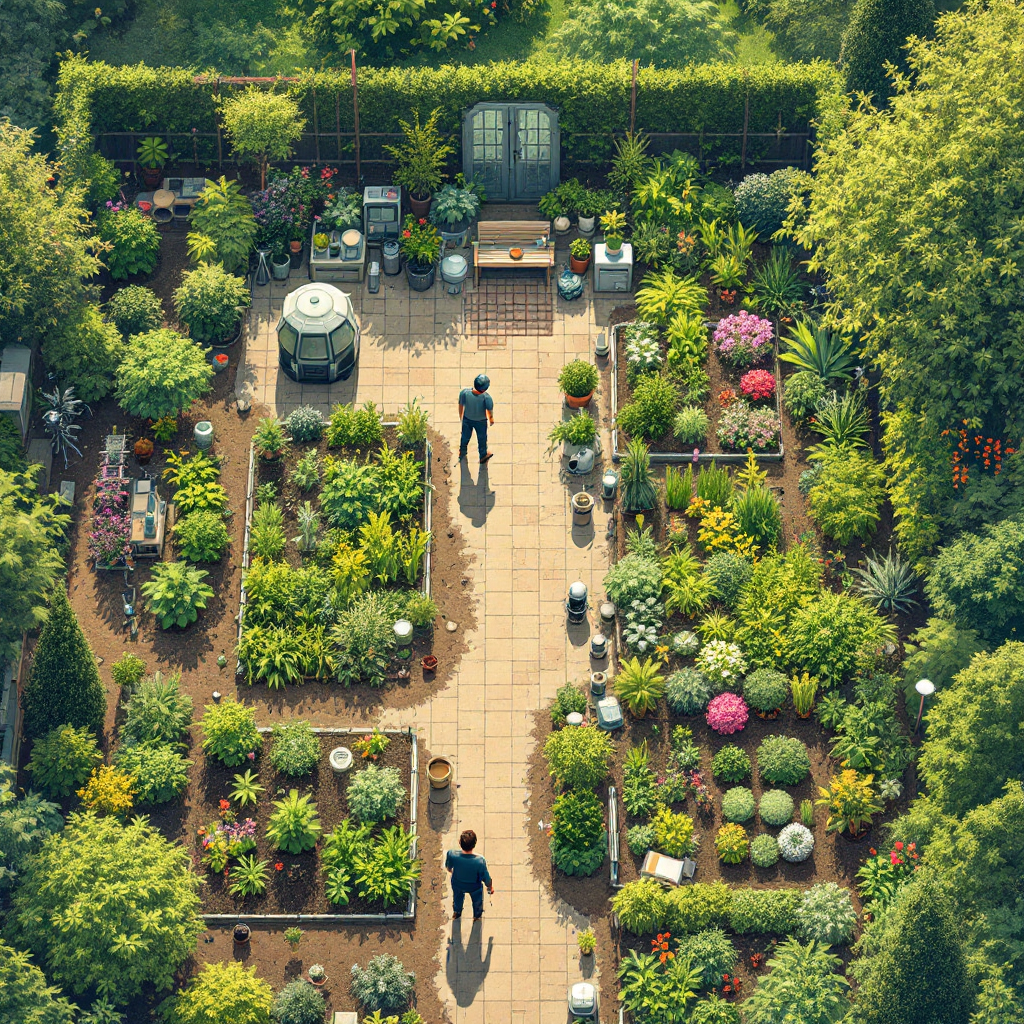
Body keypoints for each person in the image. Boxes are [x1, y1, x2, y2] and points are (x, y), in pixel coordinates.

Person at [445, 829, 494, 920]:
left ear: (460, 842)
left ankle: (457, 912)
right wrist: (490, 887)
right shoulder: (480, 861)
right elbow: (486, 878)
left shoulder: (451, 854)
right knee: (477, 902)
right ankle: (477, 916)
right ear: (474, 844)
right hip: (474, 886)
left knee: (457, 898)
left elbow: (448, 867)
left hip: (457, 884)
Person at [458, 374, 494, 463]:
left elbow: (461, 405)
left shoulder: (464, 393)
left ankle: (462, 452)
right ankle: (483, 455)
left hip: (467, 419)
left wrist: (461, 417)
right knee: (482, 439)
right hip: (481, 422)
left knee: (465, 436)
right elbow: (489, 411)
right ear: (484, 389)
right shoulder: (487, 397)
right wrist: (491, 419)